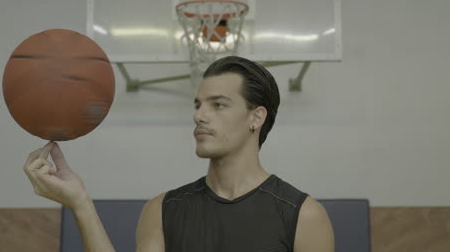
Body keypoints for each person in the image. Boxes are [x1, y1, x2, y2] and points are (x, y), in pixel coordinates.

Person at [23, 56, 334, 252]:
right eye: (198, 104)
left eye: (218, 104)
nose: (200, 115)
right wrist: (80, 204)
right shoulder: (163, 210)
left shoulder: (303, 215)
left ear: (256, 117)